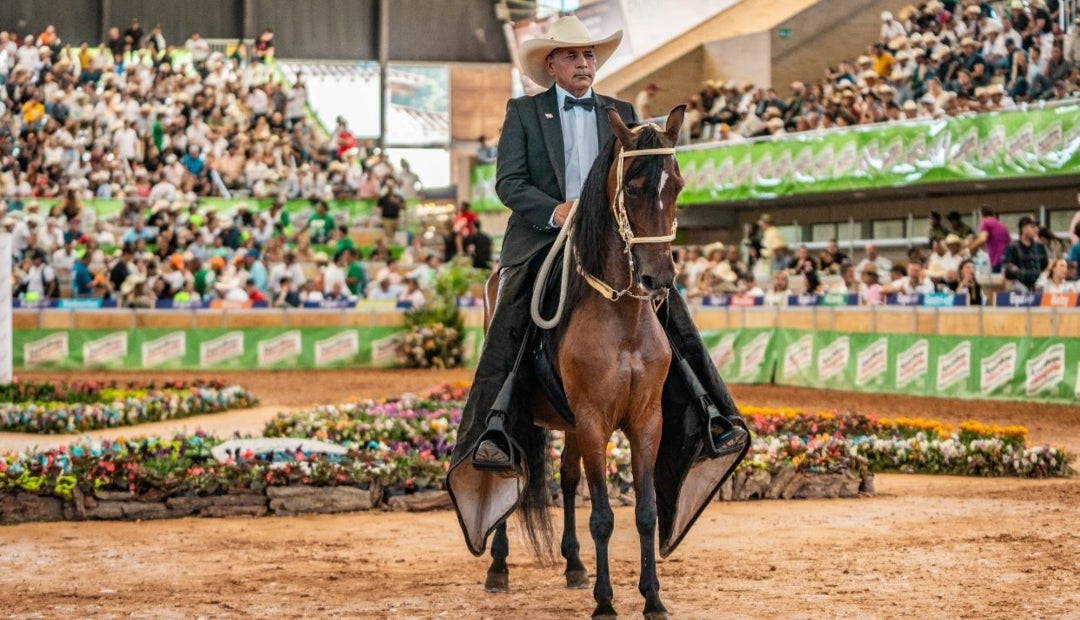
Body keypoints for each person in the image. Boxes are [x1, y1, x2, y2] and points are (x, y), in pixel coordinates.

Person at [448, 15, 746, 541]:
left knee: (668, 306)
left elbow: (643, 179)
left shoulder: (623, 114)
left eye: (590, 55)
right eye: (574, 55)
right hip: (544, 236)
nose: (585, 63)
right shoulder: (523, 112)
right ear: (552, 64)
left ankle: (709, 410)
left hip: (614, 242)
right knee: (513, 310)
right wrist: (555, 211)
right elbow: (508, 183)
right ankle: (494, 423)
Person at [1003, 215, 1048, 291]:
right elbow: (1007, 269)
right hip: (1019, 288)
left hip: (1038, 287)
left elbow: (1045, 266)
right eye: (1032, 227)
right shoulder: (1013, 247)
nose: (1036, 229)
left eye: (1036, 227)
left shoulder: (1040, 247)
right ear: (1023, 229)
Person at [968, 205, 1012, 271]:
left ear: (981, 214)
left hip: (997, 259)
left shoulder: (985, 222)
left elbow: (983, 238)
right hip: (1009, 258)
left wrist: (969, 249)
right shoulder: (1000, 224)